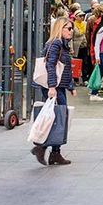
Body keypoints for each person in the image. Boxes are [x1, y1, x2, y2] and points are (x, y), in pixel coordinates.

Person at [32, 16, 76, 166]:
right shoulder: (56, 43)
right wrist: (52, 87)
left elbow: (65, 68)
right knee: (58, 118)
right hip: (53, 87)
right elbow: (50, 66)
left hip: (59, 87)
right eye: (69, 28)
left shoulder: (62, 44)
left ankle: (53, 153)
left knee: (58, 117)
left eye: (72, 28)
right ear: (60, 28)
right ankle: (42, 148)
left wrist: (70, 86)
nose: (72, 31)